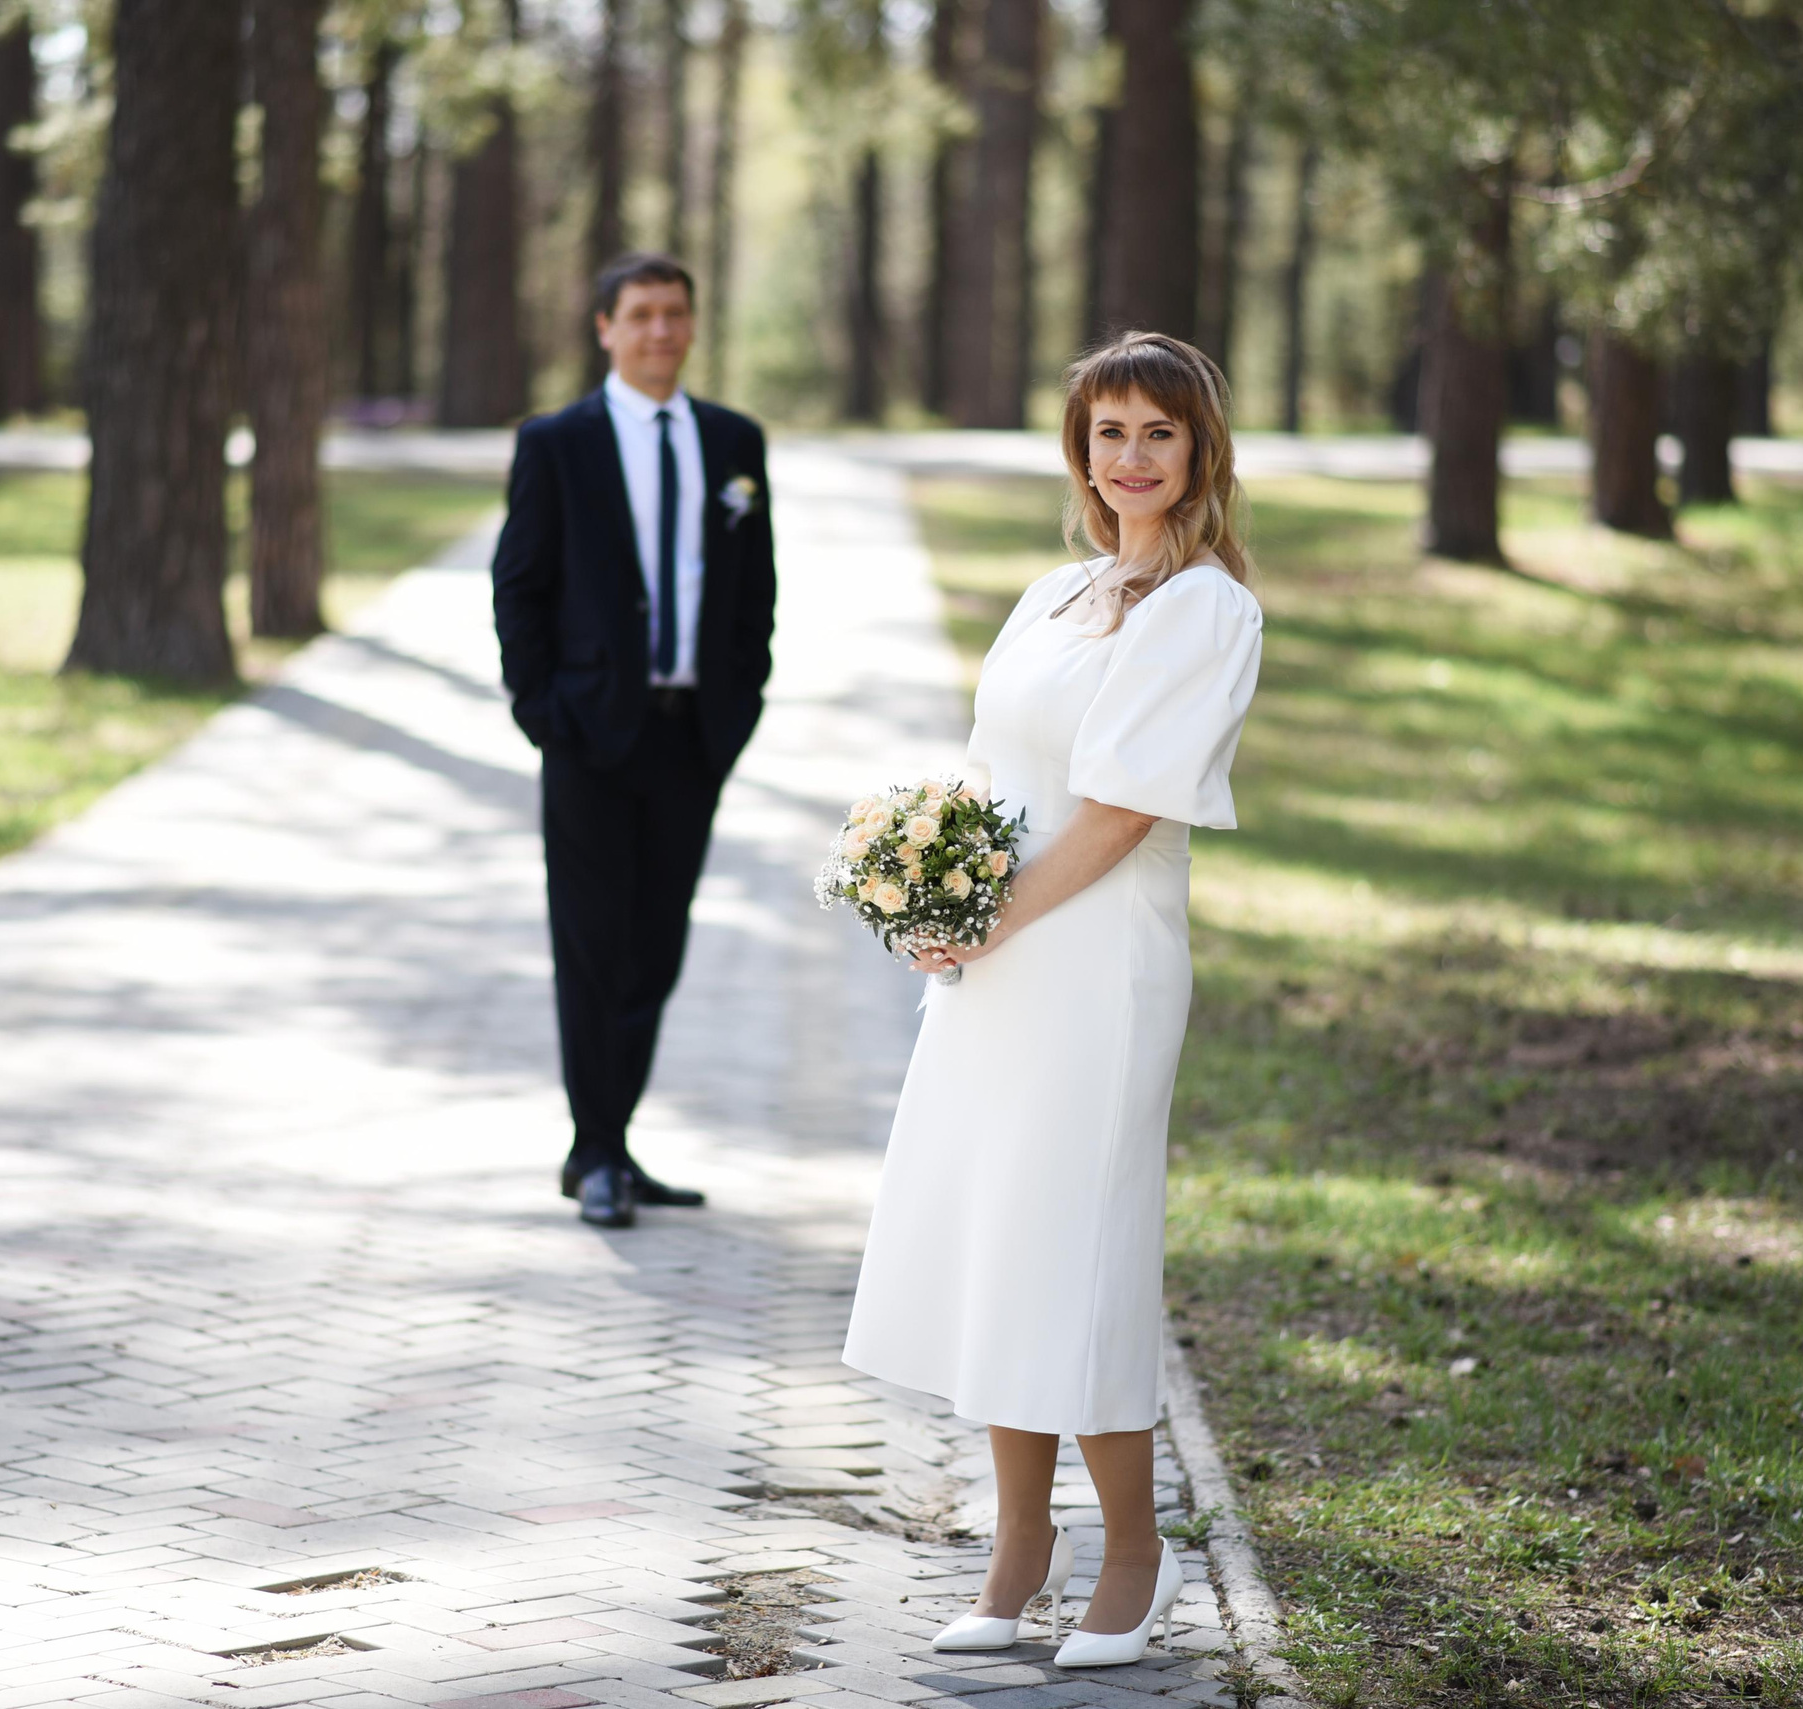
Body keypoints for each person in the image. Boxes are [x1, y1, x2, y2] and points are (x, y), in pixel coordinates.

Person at [840, 331, 1264, 1666]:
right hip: (993, 961)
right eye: (1107, 434)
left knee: (1077, 1251)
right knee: (991, 1238)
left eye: (1157, 433)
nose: (1130, 458)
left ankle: (1132, 1551)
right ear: (1080, 453)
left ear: (1199, 451)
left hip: (1096, 966)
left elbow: (1126, 810)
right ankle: (1016, 1550)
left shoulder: (1207, 609)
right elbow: (992, 775)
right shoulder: (1055, 594)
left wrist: (988, 919)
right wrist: (928, 899)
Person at [490, 253, 778, 1230]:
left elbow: (754, 596)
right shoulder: (556, 442)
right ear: (605, 328)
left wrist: (737, 707)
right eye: (640, 314)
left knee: (657, 944)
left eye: (675, 313)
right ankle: (597, 1147)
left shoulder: (735, 442)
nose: (660, 330)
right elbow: (518, 586)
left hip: (690, 736)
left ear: (693, 326)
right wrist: (542, 713)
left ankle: (612, 1141)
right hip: (588, 737)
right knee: (590, 944)